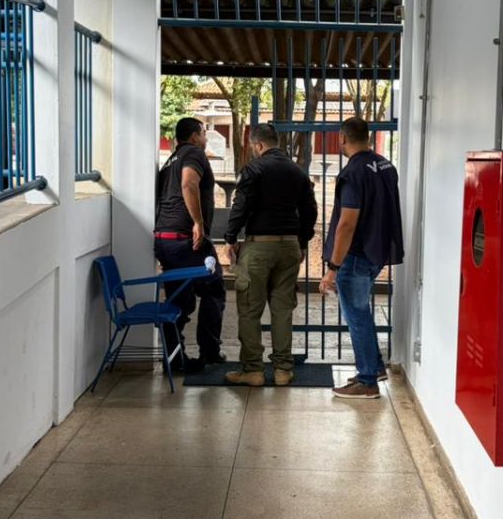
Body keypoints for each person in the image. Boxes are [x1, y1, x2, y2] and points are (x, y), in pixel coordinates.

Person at [224, 123, 317, 387]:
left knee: (249, 310)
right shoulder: (298, 172)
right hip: (289, 247)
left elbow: (241, 205)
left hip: (258, 247)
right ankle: (283, 370)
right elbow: (310, 211)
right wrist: (302, 241)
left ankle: (253, 370)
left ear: (258, 145)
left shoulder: (254, 169)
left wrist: (231, 237)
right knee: (283, 311)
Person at [319, 116, 404, 401]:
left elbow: (347, 223)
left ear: (342, 138)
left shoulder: (353, 172)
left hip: (355, 255)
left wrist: (333, 267)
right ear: (367, 137)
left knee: (356, 316)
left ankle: (367, 381)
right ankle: (374, 367)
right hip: (377, 251)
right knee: (362, 313)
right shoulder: (385, 166)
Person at [154, 117, 226, 372]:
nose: (206, 138)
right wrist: (198, 222)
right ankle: (209, 351)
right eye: (204, 133)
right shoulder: (193, 153)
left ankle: (175, 359)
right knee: (214, 289)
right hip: (186, 239)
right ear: (195, 136)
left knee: (178, 299)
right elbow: (188, 183)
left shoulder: (170, 160)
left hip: (165, 240)